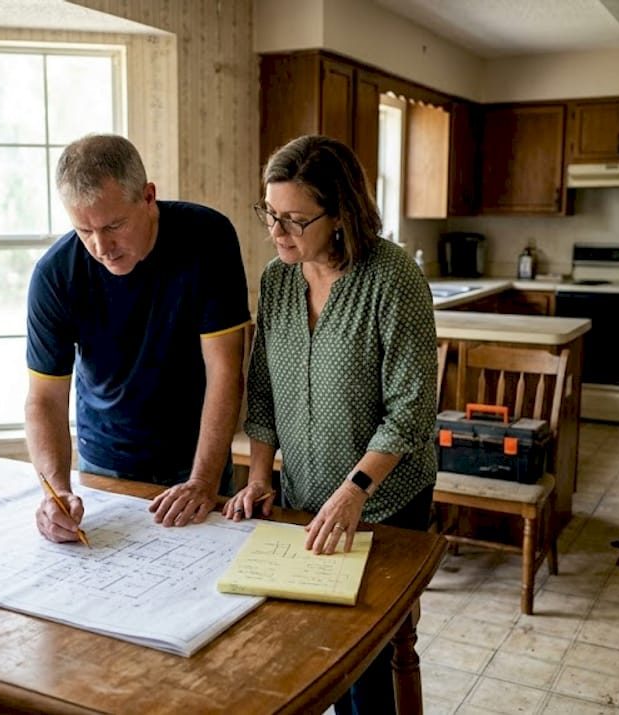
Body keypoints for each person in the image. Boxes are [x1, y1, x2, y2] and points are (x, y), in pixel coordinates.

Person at [222, 134, 437, 715]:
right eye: (270, 214)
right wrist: (260, 478)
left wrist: (354, 491)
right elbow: (263, 389)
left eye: (294, 218)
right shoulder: (277, 279)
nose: (277, 231)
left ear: (341, 213)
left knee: (366, 668)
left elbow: (411, 411)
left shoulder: (392, 279)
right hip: (303, 498)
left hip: (386, 501)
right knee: (317, 655)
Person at [26, 134, 250, 543]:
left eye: (114, 226)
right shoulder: (55, 275)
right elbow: (44, 398)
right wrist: (56, 491)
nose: (101, 247)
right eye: (84, 230)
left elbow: (225, 370)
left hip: (197, 459)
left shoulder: (207, 238)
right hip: (104, 465)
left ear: (148, 196)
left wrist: (202, 480)